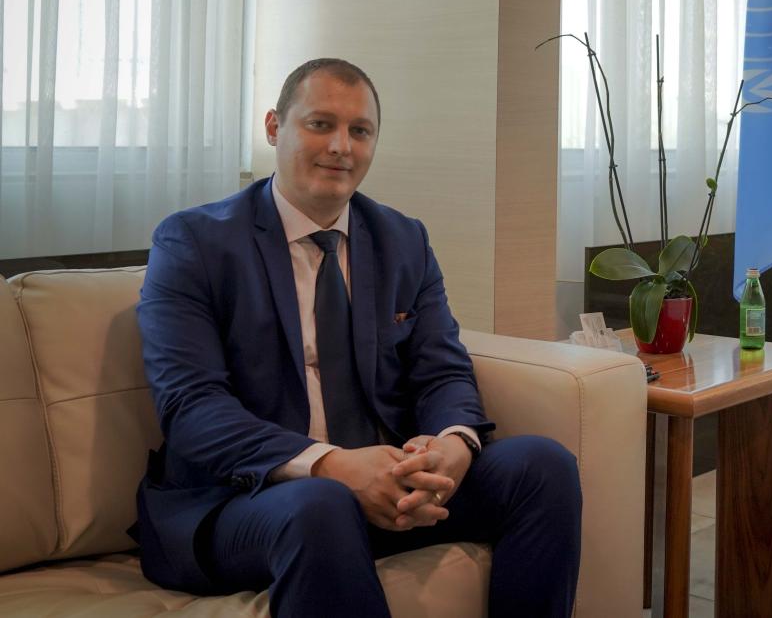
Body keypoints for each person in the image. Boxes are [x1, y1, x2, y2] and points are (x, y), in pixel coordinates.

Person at [134, 58, 581, 617]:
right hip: (246, 499)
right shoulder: (193, 242)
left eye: (360, 131)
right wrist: (333, 466)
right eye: (320, 124)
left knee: (542, 466)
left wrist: (452, 446)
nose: (341, 147)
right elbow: (191, 407)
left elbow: (442, 370)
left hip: (388, 482)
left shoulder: (404, 240)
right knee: (321, 504)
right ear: (274, 127)